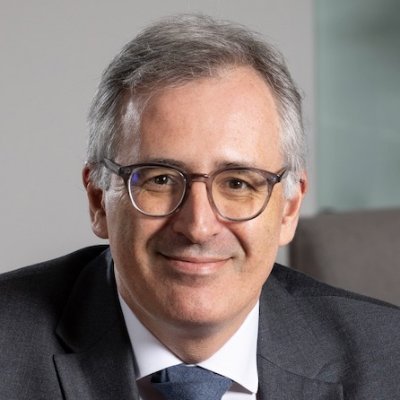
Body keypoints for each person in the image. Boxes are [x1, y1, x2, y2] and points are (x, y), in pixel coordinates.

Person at [0, 14, 399, 400]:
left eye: (238, 183)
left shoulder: (388, 360)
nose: (198, 227)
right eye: (160, 179)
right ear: (98, 200)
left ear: (289, 208)